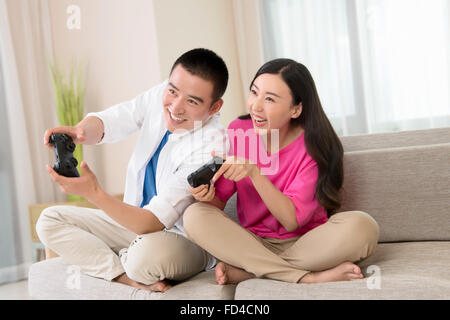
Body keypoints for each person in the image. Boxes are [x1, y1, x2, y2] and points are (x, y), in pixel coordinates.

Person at [36, 48, 229, 292]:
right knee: (49, 220)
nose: (176, 107)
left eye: (191, 101)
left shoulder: (214, 145)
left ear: (214, 107)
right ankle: (121, 275)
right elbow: (118, 118)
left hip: (179, 240)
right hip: (131, 224)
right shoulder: (163, 95)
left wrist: (94, 193)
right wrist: (80, 131)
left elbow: (153, 222)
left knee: (144, 258)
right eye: (173, 91)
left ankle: (126, 259)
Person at [184, 58, 380, 285]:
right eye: (254, 92)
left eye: (269, 99)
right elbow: (217, 203)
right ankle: (308, 278)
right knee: (194, 214)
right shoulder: (240, 130)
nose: (256, 106)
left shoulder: (314, 147)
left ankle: (255, 270)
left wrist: (255, 173)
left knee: (363, 226)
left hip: (306, 242)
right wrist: (205, 195)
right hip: (252, 242)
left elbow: (291, 221)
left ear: (296, 109)